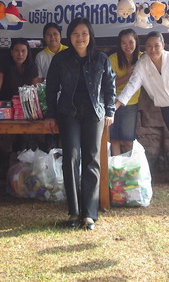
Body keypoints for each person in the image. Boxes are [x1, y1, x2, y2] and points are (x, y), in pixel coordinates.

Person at [44, 17, 115, 230]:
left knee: (92, 159)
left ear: (90, 35)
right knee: (71, 158)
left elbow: (109, 87)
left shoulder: (101, 59)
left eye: (84, 33)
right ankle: (74, 212)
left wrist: (110, 111)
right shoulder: (61, 59)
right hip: (69, 113)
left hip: (95, 113)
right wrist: (51, 114)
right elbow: (51, 89)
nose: (80, 38)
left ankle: (90, 214)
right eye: (75, 34)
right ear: (70, 37)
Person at [115, 31, 169, 186]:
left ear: (163, 45)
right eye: (149, 46)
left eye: (156, 46)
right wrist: (116, 104)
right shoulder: (142, 64)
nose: (152, 49)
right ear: (145, 47)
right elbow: (132, 85)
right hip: (166, 104)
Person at [109, 29, 142, 155]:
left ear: (136, 42)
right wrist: (128, 76)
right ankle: (116, 166)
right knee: (114, 140)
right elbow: (110, 84)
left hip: (130, 103)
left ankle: (129, 166)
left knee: (128, 141)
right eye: (124, 43)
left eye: (131, 42)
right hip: (112, 101)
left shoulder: (142, 58)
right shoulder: (113, 59)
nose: (128, 46)